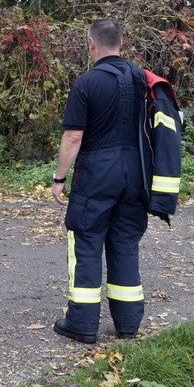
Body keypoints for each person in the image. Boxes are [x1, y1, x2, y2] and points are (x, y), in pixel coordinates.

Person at [50, 19, 148, 344]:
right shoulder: (141, 80)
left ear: (92, 44)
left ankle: (81, 323)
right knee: (124, 242)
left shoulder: (87, 83)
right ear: (122, 42)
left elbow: (74, 137)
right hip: (136, 173)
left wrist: (59, 178)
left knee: (88, 241)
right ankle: (128, 323)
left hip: (97, 172)